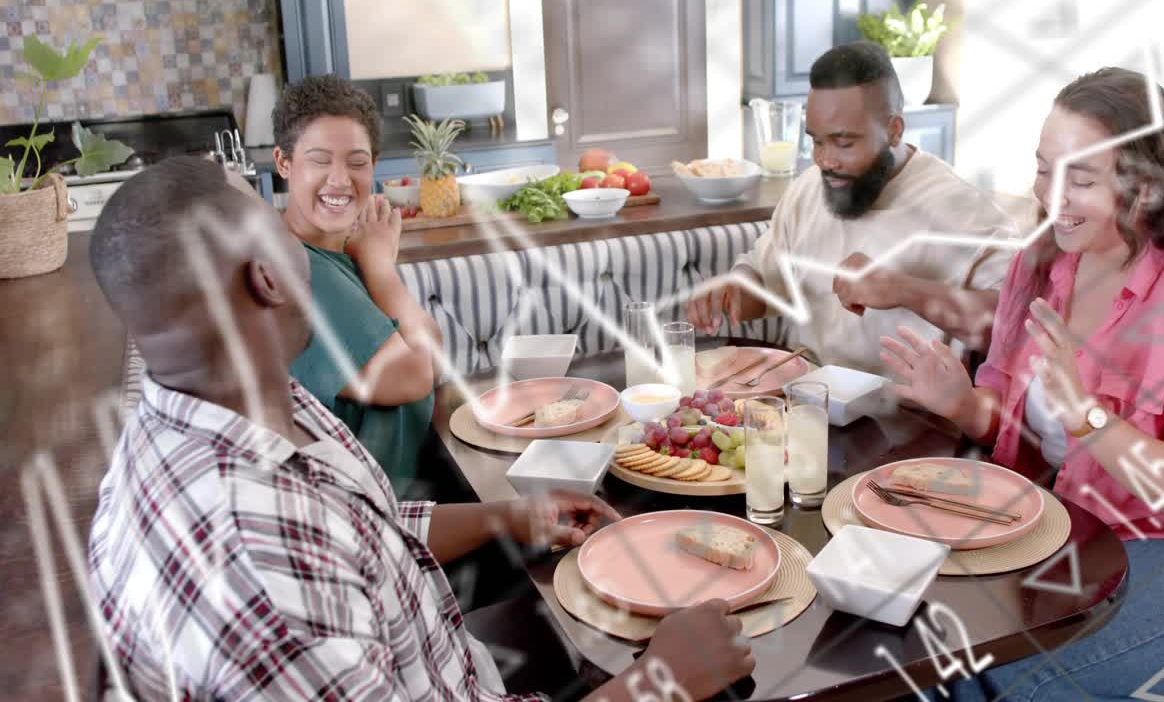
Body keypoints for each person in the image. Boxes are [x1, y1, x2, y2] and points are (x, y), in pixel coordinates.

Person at [86, 158, 754, 701]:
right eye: (275, 219)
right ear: (266, 279)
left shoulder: (230, 406)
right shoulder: (254, 565)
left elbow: (351, 527)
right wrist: (656, 685)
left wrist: (507, 516)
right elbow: (299, 560)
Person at [880, 68, 1164, 700]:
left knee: (1014, 679)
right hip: (1090, 528)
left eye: (1082, 179)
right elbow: (1022, 434)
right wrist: (960, 403)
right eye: (1044, 169)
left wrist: (1089, 417)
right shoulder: (1041, 263)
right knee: (924, 647)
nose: (1051, 195)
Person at [686, 42, 1015, 371]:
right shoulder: (807, 190)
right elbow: (762, 281)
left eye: (844, 143)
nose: (825, 160)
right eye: (816, 141)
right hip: (803, 403)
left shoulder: (963, 210)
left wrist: (904, 289)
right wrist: (730, 293)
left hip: (905, 416)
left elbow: (1013, 330)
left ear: (893, 130)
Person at [273, 74, 442, 497]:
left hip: (410, 483)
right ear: (283, 163)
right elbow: (417, 374)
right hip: (372, 515)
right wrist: (380, 266)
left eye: (357, 162)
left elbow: (433, 350)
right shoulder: (298, 270)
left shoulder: (334, 251)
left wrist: (371, 260)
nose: (340, 180)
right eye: (319, 160)